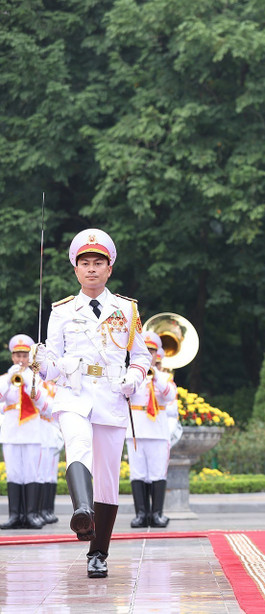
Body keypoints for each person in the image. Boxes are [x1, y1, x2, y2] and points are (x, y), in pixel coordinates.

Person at [34, 229, 152, 578]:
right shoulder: (62, 311)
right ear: (75, 269)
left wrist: (134, 377)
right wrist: (43, 362)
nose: (91, 269)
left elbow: (141, 356)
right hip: (74, 393)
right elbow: (52, 367)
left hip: (111, 397)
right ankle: (82, 511)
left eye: (98, 263)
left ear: (109, 268)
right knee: (78, 445)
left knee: (108, 479)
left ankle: (97, 551)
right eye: (84, 263)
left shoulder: (126, 309)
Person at [126, 331, 178, 528]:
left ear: (158, 354)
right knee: (137, 473)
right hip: (136, 430)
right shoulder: (131, 374)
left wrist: (155, 377)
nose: (149, 354)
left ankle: (157, 514)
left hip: (157, 431)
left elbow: (169, 395)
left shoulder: (165, 376)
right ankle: (141, 514)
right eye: (145, 350)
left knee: (157, 473)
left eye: (152, 351)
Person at [0, 334, 52, 530]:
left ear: (29, 358)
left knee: (30, 473)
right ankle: (15, 515)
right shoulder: (5, 378)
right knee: (14, 474)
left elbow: (47, 406)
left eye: (24, 355)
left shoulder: (37, 379)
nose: (21, 359)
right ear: (12, 357)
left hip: (31, 431)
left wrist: (30, 383)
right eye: (17, 355)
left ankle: (31, 514)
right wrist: (9, 381)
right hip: (12, 432)